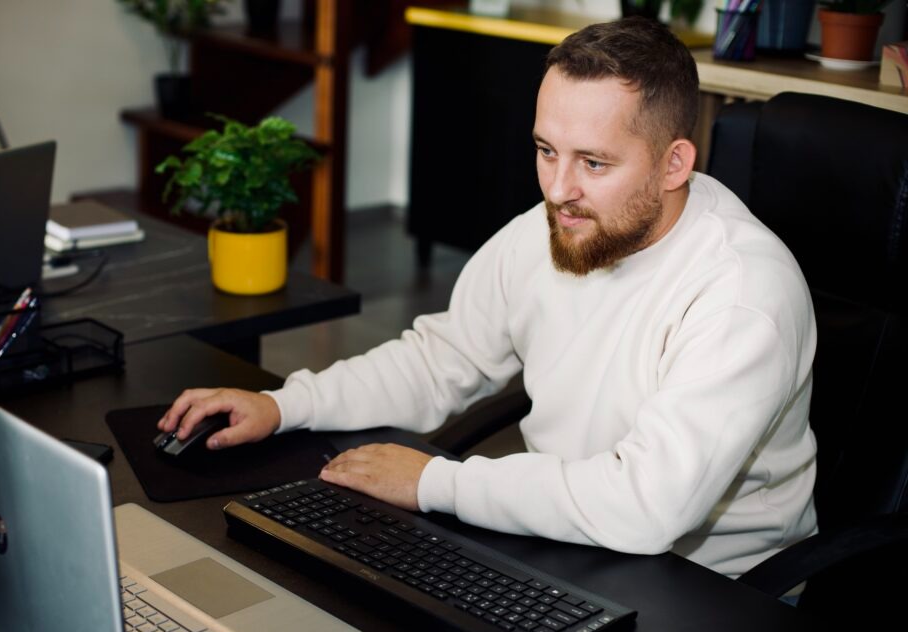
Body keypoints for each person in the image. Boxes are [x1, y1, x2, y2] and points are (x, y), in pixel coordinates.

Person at [158, 17, 818, 580]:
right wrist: (285, 404)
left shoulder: (742, 295)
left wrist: (436, 482)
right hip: (564, 541)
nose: (558, 190)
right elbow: (438, 360)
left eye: (593, 163)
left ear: (674, 164)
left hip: (712, 590)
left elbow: (647, 507)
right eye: (545, 150)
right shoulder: (558, 225)